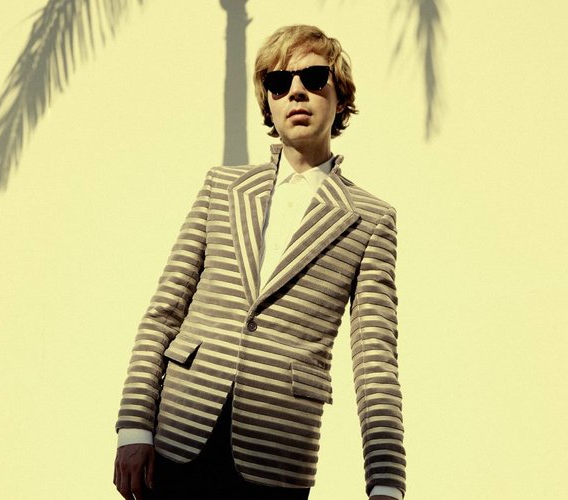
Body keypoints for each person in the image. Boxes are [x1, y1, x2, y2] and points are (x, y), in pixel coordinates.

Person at [113, 24, 406, 500]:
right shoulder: (222, 188)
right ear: (268, 102)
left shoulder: (369, 219)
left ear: (340, 98)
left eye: (314, 78)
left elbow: (375, 359)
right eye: (279, 82)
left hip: (277, 456)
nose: (296, 92)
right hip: (178, 435)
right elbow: (164, 313)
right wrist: (133, 427)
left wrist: (387, 483)